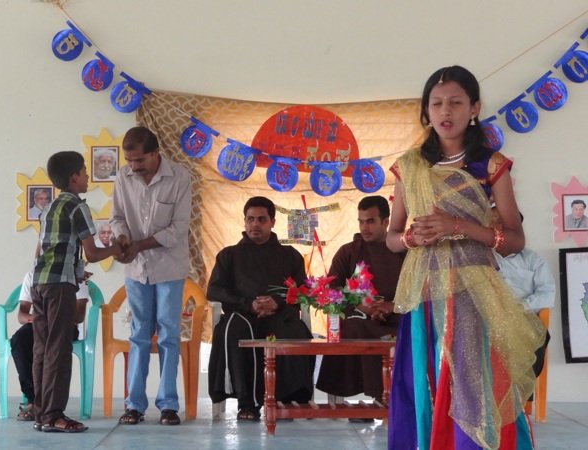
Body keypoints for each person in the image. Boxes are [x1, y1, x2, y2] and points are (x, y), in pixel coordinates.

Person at [385, 66, 545, 449]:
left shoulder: (491, 165)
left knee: (474, 388)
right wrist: (412, 238)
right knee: (424, 383)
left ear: (474, 108)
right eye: (436, 103)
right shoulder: (410, 167)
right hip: (425, 295)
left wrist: (458, 226)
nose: (446, 111)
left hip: (475, 296)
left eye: (456, 102)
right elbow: (392, 238)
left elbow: (514, 239)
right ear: (426, 111)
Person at [31, 151, 121, 433]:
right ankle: (54, 415)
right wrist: (116, 249)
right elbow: (92, 253)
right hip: (60, 287)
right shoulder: (77, 208)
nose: (87, 176)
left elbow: (44, 251)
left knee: (42, 349)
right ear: (74, 177)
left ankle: (41, 413)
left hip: (40, 283)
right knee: (59, 349)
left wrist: (75, 270)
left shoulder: (48, 209)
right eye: (84, 171)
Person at [110, 126, 192, 426]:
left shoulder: (180, 177)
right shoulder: (123, 177)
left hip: (169, 268)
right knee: (138, 335)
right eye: (129, 160)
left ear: (156, 154)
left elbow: (178, 229)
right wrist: (122, 239)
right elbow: (117, 218)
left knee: (169, 335)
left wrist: (138, 245)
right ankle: (134, 405)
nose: (134, 166)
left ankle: (168, 404)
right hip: (136, 270)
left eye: (139, 160)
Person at [206, 196, 315, 421]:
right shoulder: (229, 255)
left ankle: (286, 402)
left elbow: (303, 289)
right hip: (242, 315)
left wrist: (277, 302)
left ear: (272, 222)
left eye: (261, 219)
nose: (255, 224)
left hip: (281, 315)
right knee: (235, 331)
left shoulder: (290, 255)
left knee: (293, 332)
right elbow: (214, 290)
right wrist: (249, 304)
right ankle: (246, 403)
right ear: (244, 221)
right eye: (250, 219)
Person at [315, 195, 405, 420]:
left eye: (370, 221)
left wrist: (391, 306)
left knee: (411, 326)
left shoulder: (405, 250)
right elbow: (331, 289)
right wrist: (362, 306)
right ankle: (376, 398)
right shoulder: (349, 251)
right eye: (361, 221)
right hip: (361, 314)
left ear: (386, 222)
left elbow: (420, 290)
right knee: (354, 324)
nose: (364, 227)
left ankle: (388, 398)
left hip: (398, 313)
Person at [10, 270, 90, 421]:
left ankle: (50, 407)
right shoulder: (32, 275)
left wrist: (54, 316)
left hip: (65, 324)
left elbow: (79, 316)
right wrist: (41, 318)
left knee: (53, 344)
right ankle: (34, 399)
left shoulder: (75, 275)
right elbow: (22, 315)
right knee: (19, 341)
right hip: (38, 323)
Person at [492, 208, 555, 378]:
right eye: (493, 223)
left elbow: (547, 293)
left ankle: (521, 390)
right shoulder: (480, 258)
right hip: (491, 320)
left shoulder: (533, 259)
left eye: (503, 224)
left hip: (524, 318)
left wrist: (520, 308)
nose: (497, 229)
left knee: (535, 338)